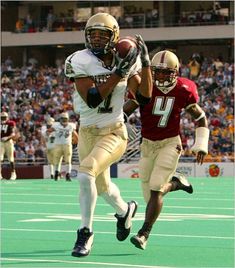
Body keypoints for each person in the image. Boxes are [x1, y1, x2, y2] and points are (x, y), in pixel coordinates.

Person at [64, 12, 152, 257]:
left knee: (84, 176)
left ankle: (85, 233)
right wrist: (118, 72)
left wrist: (144, 66)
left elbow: (144, 98)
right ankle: (125, 211)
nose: (97, 39)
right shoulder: (77, 60)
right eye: (93, 34)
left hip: (113, 131)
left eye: (103, 35)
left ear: (113, 37)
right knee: (101, 186)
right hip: (87, 132)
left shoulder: (124, 58)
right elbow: (93, 99)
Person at [124, 50, 209, 250]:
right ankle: (176, 183)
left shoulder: (183, 89)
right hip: (147, 144)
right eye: (158, 72)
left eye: (166, 72)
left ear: (175, 72)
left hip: (170, 142)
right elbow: (124, 112)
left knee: (156, 188)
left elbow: (200, 117)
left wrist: (201, 143)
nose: (161, 77)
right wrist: (120, 125)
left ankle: (144, 233)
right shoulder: (144, 87)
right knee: (149, 194)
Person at [50, 112, 78, 181]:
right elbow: (49, 132)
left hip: (65, 144)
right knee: (58, 161)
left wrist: (77, 141)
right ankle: (58, 173)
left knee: (67, 161)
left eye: (65, 119)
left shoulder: (70, 125)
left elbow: (75, 135)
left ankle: (66, 174)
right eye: (63, 119)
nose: (64, 120)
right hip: (60, 145)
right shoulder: (57, 125)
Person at [0, 112, 17, 180]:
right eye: (2, 117)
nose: (3, 119)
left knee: (11, 159)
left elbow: (13, 133)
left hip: (8, 142)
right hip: (1, 142)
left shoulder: (11, 123)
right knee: (0, 159)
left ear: (7, 117)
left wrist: (7, 137)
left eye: (4, 117)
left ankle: (13, 173)